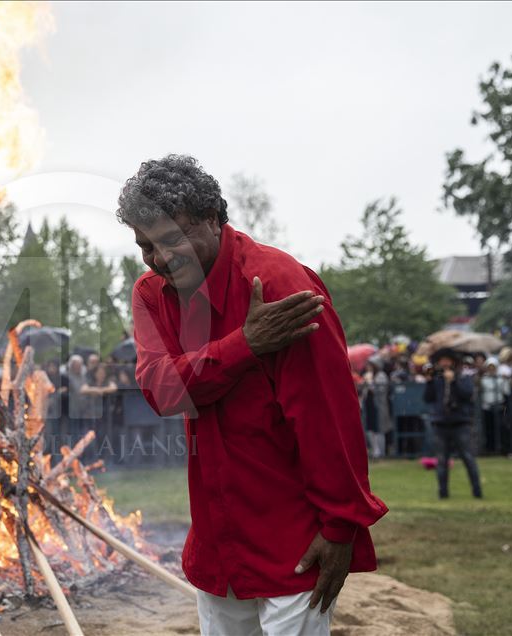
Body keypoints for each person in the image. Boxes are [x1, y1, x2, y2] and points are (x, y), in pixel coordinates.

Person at [118, 155, 386, 635]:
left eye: (171, 239)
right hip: (217, 540)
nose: (159, 259)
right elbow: (162, 391)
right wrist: (246, 344)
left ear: (212, 220)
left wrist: (341, 526)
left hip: (295, 540)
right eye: (145, 246)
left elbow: (327, 414)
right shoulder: (152, 293)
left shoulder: (280, 284)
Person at [423, 349, 483, 499]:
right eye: (441, 361)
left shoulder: (463, 376)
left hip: (460, 423)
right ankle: (443, 493)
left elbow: (467, 395)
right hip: (440, 423)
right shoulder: (436, 379)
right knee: (441, 460)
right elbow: (428, 398)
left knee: (468, 458)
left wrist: (453, 381)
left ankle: (477, 491)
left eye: (447, 360)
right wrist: (429, 382)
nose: (444, 363)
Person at [479, 357, 510, 454]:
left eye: (493, 367)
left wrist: (505, 381)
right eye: (490, 367)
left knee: (502, 427)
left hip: (499, 405)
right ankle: (490, 449)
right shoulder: (483, 379)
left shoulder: (501, 378)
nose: (491, 369)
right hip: (487, 406)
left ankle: (503, 448)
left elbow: (506, 391)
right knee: (489, 428)